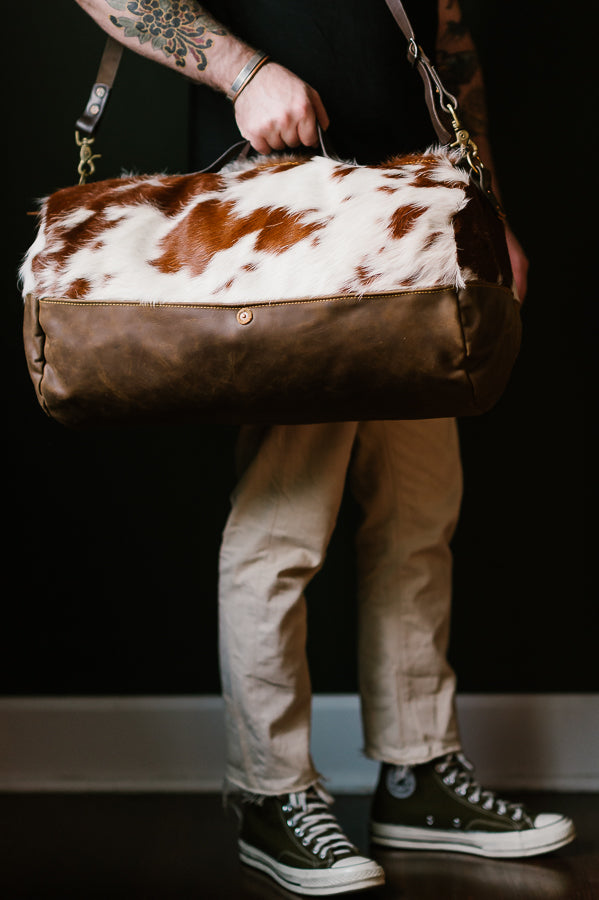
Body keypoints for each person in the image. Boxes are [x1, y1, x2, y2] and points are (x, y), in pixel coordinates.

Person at [74, 1, 574, 895]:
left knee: (421, 507)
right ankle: (273, 795)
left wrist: (483, 199)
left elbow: (445, 27)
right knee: (285, 513)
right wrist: (241, 71)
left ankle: (418, 774)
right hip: (277, 201)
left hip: (414, 202)